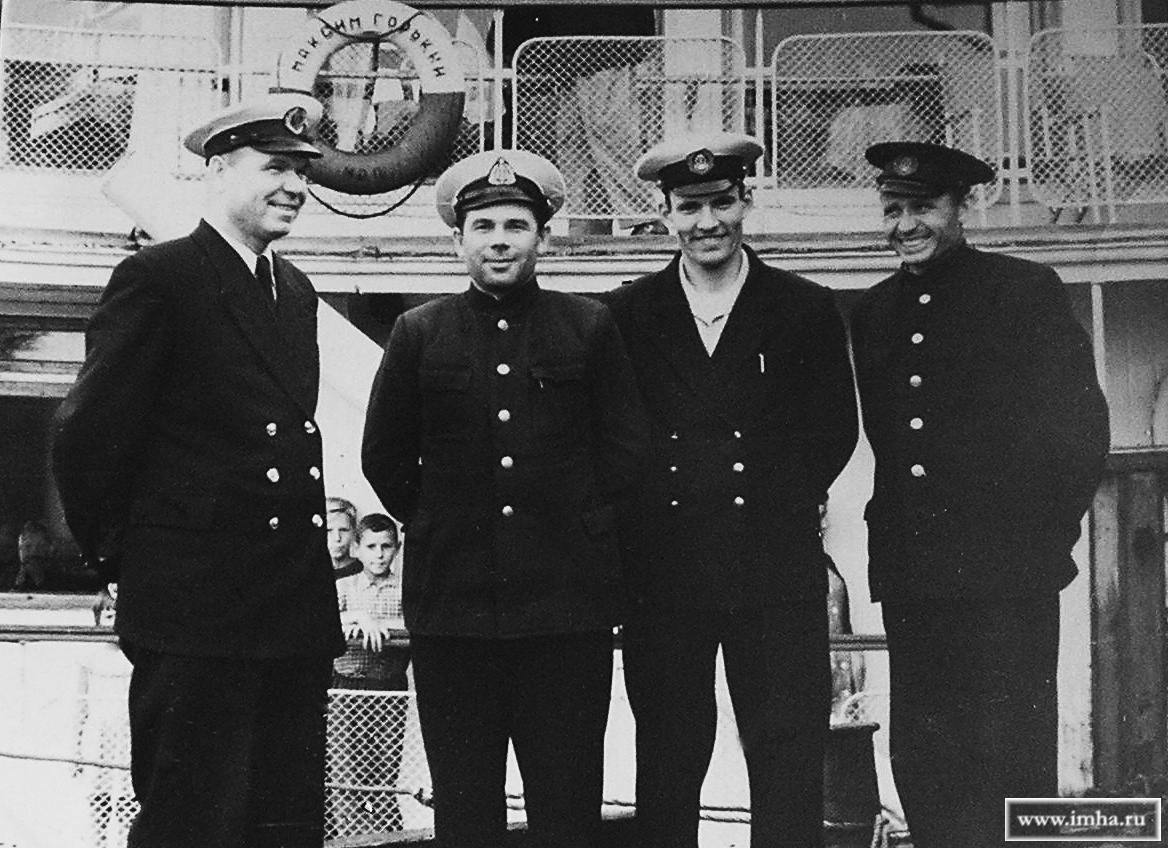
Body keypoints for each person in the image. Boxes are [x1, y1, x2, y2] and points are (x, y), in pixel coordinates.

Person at [51, 91, 345, 848]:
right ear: (218, 171)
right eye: (274, 168)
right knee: (192, 821)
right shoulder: (161, 276)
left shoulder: (295, 290)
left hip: (290, 608)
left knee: (284, 825)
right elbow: (89, 435)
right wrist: (124, 560)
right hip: (194, 609)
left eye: (303, 173)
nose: (295, 186)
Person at [362, 148, 650, 848]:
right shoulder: (419, 331)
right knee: (465, 808)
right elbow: (384, 456)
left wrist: (575, 525)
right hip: (454, 612)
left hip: (565, 611)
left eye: (516, 225)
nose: (499, 240)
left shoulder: (588, 325)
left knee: (567, 806)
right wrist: (440, 521)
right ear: (457, 240)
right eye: (483, 226)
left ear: (542, 236)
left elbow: (626, 451)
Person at [850, 140, 1110, 848]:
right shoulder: (873, 312)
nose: (906, 224)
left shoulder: (1023, 291)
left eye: (923, 207)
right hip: (915, 576)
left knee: (1010, 751)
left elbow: (1080, 431)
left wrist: (1037, 542)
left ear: (962, 206)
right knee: (926, 756)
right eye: (893, 209)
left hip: (1008, 577)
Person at [604, 131, 858, 848]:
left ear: (746, 201)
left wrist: (774, 504)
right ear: (666, 215)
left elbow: (833, 431)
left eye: (721, 203)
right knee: (668, 762)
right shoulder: (627, 313)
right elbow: (614, 437)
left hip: (772, 571)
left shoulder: (803, 307)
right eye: (689, 207)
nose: (706, 222)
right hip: (664, 574)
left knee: (786, 764)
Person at [331, 513, 411, 836]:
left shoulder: (406, 590)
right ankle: (351, 837)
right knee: (346, 771)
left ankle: (384, 835)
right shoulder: (343, 587)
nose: (379, 554)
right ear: (357, 549)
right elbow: (323, 621)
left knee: (383, 772)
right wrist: (357, 617)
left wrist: (385, 628)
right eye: (371, 547)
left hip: (388, 690)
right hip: (346, 690)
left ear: (397, 548)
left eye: (386, 546)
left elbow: (415, 627)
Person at [327, 496, 362, 579]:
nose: (337, 538)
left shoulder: (365, 571)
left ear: (354, 532)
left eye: (343, 530)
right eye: (329, 530)